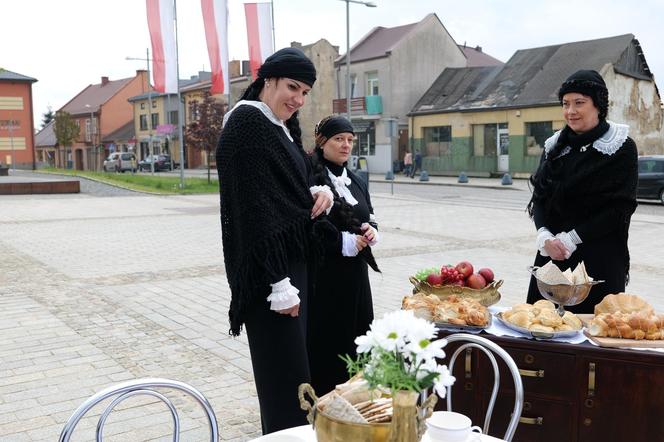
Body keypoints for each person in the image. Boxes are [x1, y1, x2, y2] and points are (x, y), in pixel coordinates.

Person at [215, 47, 333, 434]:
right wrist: (279, 283)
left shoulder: (276, 123)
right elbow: (253, 210)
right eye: (292, 87)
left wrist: (318, 191)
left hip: (288, 267)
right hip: (272, 277)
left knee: (296, 380)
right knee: (287, 386)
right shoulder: (247, 123)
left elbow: (287, 184)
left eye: (304, 93)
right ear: (268, 80)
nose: (298, 99)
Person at [526, 69, 638, 313]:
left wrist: (573, 238)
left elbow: (620, 208)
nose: (570, 111)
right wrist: (544, 234)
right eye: (565, 104)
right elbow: (540, 197)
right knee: (543, 326)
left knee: (593, 333)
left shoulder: (620, 146)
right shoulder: (555, 145)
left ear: (598, 105)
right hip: (553, 257)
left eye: (579, 103)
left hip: (599, 257)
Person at [308, 115, 380, 396]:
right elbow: (306, 225)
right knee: (328, 342)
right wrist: (342, 242)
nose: (346, 145)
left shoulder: (357, 181)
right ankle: (325, 401)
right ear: (322, 142)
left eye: (350, 140)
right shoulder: (310, 177)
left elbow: (368, 216)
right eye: (339, 139)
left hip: (356, 279)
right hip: (324, 277)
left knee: (358, 339)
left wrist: (371, 231)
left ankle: (357, 398)